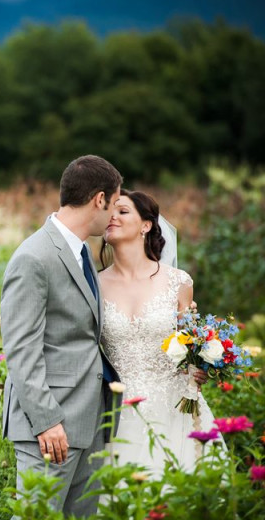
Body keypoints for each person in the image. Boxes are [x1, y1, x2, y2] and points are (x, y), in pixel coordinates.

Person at [1, 155, 123, 518]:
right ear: (99, 199)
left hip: (87, 420)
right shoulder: (33, 257)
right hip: (50, 427)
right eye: (115, 204)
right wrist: (47, 421)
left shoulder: (82, 250)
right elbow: (22, 349)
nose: (114, 214)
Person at [98, 189, 221, 474]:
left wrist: (199, 368)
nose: (112, 217)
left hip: (174, 407)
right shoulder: (93, 285)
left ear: (146, 225)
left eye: (123, 211)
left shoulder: (178, 282)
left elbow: (190, 345)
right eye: (109, 211)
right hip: (117, 410)